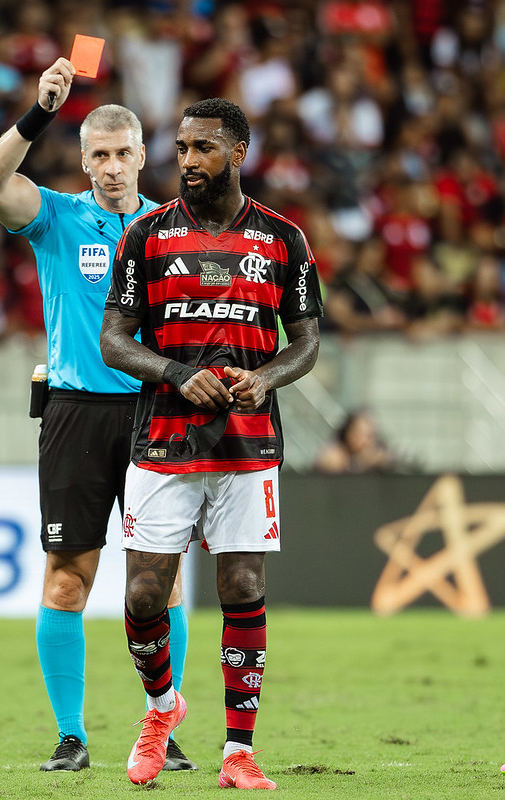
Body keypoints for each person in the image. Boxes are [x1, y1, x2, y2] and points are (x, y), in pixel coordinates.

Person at [0, 58, 194, 772]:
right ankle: (72, 736)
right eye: (96, 154)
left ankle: (164, 722)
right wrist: (39, 111)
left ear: (140, 156)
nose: (109, 166)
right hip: (75, 413)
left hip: (155, 413)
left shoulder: (171, 228)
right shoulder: (58, 217)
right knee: (69, 576)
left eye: (121, 153)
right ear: (84, 159)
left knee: (162, 578)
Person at [101, 98, 322, 789]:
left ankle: (237, 751)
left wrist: (266, 378)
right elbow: (112, 340)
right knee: (143, 597)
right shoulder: (147, 236)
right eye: (182, 147)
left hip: (247, 444)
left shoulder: (284, 239)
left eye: (202, 148)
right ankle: (162, 710)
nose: (187, 161)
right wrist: (175, 373)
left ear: (238, 152)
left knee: (244, 586)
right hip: (163, 438)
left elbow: (308, 341)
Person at [314, 408, 397, 474]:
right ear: (349, 432)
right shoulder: (335, 454)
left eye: (370, 436)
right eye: (361, 434)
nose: (366, 441)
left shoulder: (372, 455)